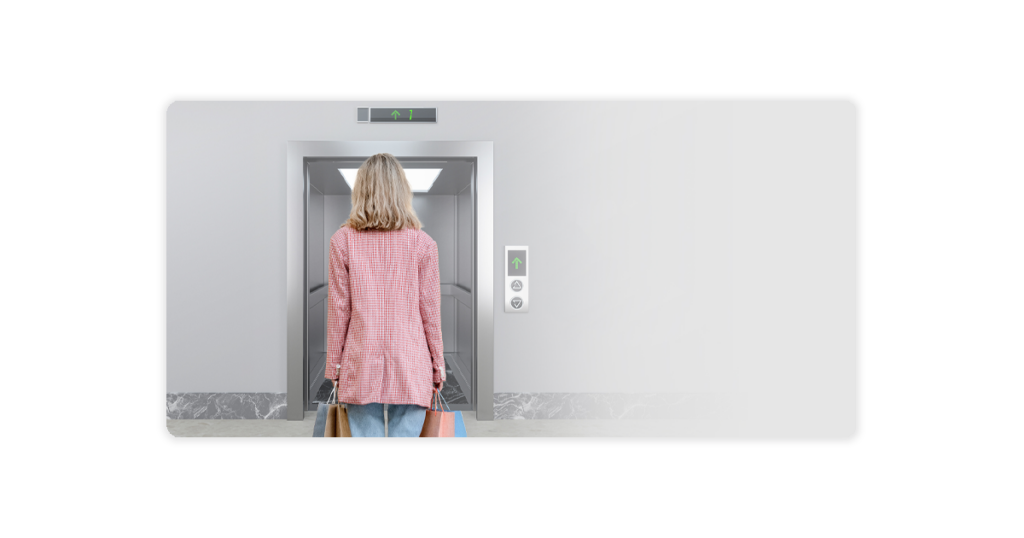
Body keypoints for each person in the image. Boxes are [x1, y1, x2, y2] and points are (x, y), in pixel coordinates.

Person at [326, 153, 445, 438]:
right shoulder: (423, 244)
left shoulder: (342, 241)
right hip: (411, 366)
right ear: (402, 191)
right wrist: (438, 366)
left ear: (361, 191)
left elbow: (339, 310)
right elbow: (430, 314)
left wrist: (335, 367)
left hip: (360, 363)